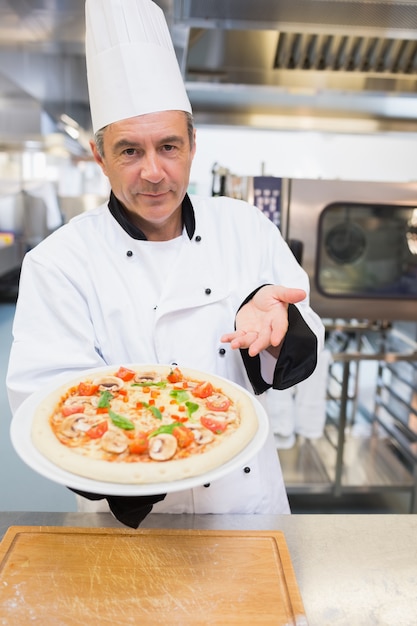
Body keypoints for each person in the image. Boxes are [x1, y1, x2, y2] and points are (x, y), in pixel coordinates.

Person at [6, 0, 324, 527]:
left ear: (194, 145)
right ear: (98, 156)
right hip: (123, 515)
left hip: (243, 507)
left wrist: (279, 327)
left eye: (169, 146)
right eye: (130, 150)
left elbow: (302, 337)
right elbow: (45, 395)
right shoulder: (58, 263)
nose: (154, 173)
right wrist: (117, 461)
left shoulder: (246, 227)